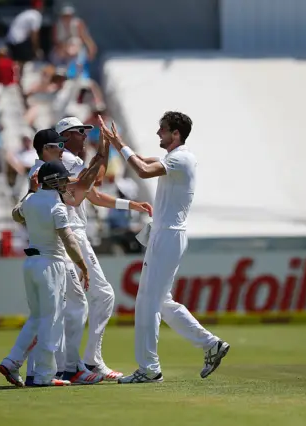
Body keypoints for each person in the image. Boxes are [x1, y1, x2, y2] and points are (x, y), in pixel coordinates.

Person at [99, 112, 230, 384]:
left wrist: (119, 144)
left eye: (163, 129)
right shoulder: (176, 157)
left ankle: (149, 369)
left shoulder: (180, 158)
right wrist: (118, 142)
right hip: (166, 235)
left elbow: (143, 170)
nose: (158, 133)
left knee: (147, 302)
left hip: (168, 235)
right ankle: (210, 344)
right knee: (162, 302)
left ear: (176, 134)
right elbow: (145, 161)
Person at [54, 116, 153, 381]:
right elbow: (93, 184)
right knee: (94, 298)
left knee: (79, 301)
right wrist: (104, 148)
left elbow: (93, 193)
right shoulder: (66, 161)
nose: (84, 136)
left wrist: (130, 205)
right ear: (64, 137)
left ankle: (73, 363)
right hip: (70, 233)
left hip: (72, 233)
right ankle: (80, 364)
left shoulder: (69, 162)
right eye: (79, 132)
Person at [10, 128, 106, 386]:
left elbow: (16, 214)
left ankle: (23, 366)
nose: (62, 149)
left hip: (35, 259)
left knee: (42, 317)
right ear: (44, 149)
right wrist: (97, 161)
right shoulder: (48, 184)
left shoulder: (37, 188)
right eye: (57, 145)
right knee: (58, 316)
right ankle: (63, 369)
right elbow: (79, 191)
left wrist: (30, 198)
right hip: (53, 258)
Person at [0, 157, 89, 388]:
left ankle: (11, 362)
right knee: (52, 320)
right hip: (51, 265)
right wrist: (83, 266)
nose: (66, 185)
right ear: (54, 181)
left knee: (37, 318)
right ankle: (44, 376)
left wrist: (30, 190)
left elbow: (16, 215)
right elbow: (68, 240)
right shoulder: (57, 206)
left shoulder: (30, 201)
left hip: (31, 265)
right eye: (63, 181)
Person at [6, 0, 43, 82]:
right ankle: (20, 81)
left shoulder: (27, 13)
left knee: (16, 63)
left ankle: (16, 80)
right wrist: (36, 49)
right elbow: (34, 34)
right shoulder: (36, 15)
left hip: (11, 39)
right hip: (18, 39)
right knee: (23, 62)